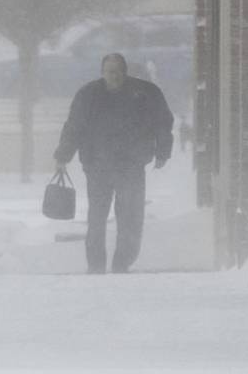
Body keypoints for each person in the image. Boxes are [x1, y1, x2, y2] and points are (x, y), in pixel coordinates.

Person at [54, 53, 174, 274]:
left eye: (118, 71)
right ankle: (96, 264)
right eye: (110, 71)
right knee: (97, 217)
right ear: (102, 72)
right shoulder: (88, 95)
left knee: (130, 215)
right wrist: (63, 156)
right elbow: (74, 126)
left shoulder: (145, 93)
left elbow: (163, 122)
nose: (114, 76)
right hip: (97, 165)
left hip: (131, 164)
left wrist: (162, 151)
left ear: (125, 71)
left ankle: (123, 261)